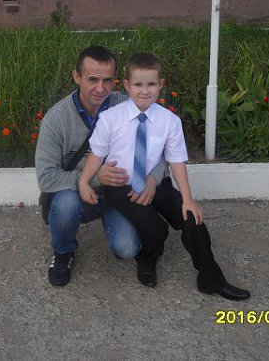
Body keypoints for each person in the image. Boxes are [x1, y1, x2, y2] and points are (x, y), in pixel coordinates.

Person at [79, 52, 250, 301]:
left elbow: (176, 161)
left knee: (192, 219)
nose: (144, 91)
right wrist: (84, 181)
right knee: (156, 230)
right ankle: (147, 259)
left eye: (151, 84)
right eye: (138, 84)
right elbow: (97, 154)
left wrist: (188, 199)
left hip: (156, 184)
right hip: (120, 187)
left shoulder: (169, 121)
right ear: (126, 85)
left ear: (161, 84)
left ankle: (211, 279)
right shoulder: (110, 118)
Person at [35, 46, 165, 287]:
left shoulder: (129, 105)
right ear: (76, 76)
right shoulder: (57, 119)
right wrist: (94, 177)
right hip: (79, 194)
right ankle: (63, 251)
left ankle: (127, 226)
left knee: (127, 249)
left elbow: (161, 149)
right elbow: (46, 177)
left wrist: (153, 179)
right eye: (92, 79)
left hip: (120, 196)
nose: (100, 88)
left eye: (107, 80)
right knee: (65, 205)